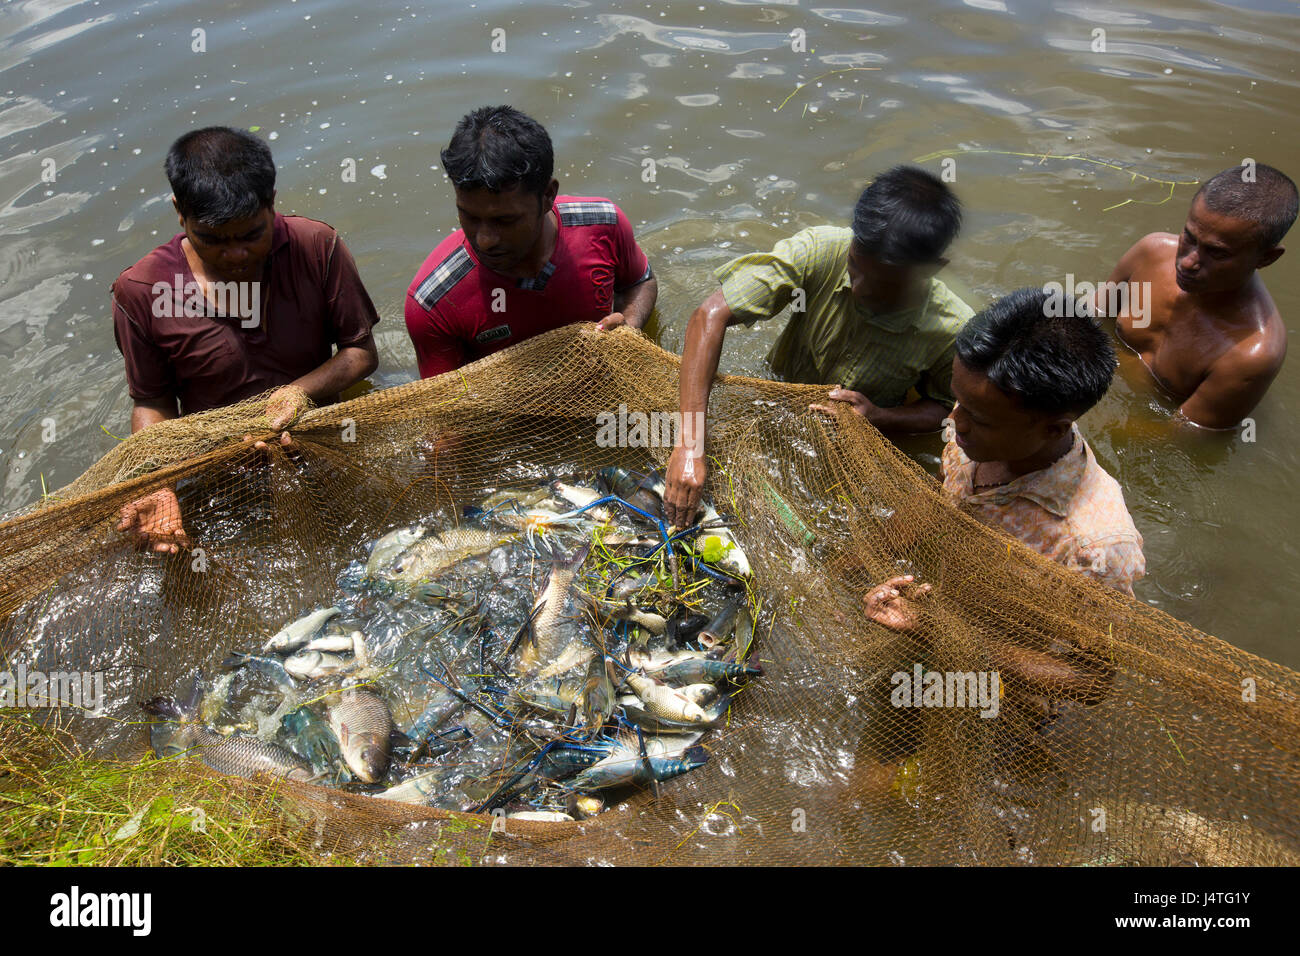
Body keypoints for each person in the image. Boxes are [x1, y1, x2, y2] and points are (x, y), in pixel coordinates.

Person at [854, 288, 1144, 798]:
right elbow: (945, 502)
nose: (954, 422)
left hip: (1003, 690)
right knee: (864, 782)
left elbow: (1090, 684)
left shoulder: (1094, 545)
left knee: (919, 799)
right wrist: (862, 560)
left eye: (977, 418)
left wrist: (945, 632)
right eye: (957, 399)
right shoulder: (976, 431)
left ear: (1054, 426)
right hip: (933, 628)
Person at [111, 126, 381, 552]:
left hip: (320, 436)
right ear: (180, 213)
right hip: (224, 467)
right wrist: (157, 483)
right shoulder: (143, 290)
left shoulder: (315, 246)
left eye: (252, 235)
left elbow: (359, 353)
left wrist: (298, 394)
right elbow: (152, 402)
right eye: (213, 240)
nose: (235, 255)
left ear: (271, 203)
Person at [663, 165, 973, 528]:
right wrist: (689, 445)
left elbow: (945, 410)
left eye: (882, 284)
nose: (858, 288)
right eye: (855, 266)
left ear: (932, 269)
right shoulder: (821, 250)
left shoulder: (950, 329)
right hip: (775, 394)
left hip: (848, 443)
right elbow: (709, 317)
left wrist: (879, 416)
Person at [405, 105, 657, 378]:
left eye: (505, 220)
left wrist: (629, 327)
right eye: (469, 216)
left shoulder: (604, 224)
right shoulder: (434, 302)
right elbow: (446, 408)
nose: (485, 240)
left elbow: (639, 281)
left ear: (548, 195)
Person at [1097, 163, 1297, 428]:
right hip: (1093, 388)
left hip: (1134, 425)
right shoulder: (1152, 252)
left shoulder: (1252, 353)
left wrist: (1093, 423)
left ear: (1267, 258)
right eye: (1189, 237)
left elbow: (1179, 437)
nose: (1188, 262)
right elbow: (1090, 317)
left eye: (1217, 253)